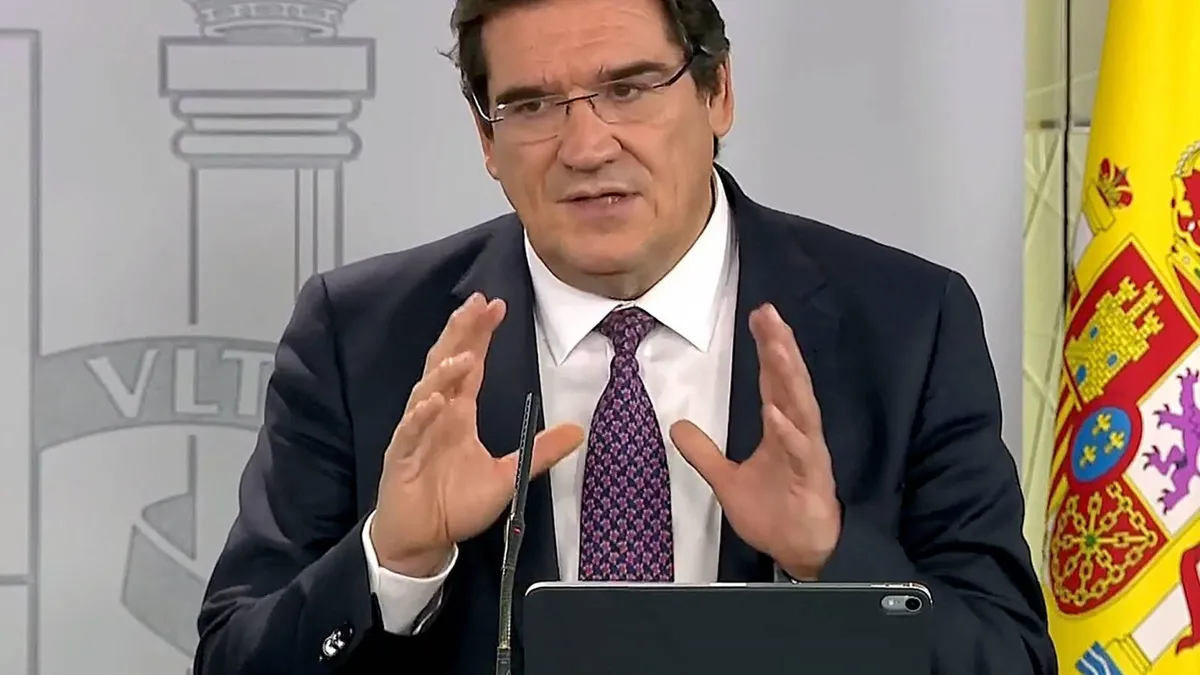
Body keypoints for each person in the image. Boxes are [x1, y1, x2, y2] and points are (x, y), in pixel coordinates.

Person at [193, 0, 1057, 673]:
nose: (584, 145)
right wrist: (394, 558)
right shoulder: (363, 338)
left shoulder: (905, 324)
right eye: (531, 104)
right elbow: (233, 656)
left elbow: (1009, 657)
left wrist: (833, 559)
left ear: (717, 93)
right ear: (487, 139)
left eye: (629, 88)